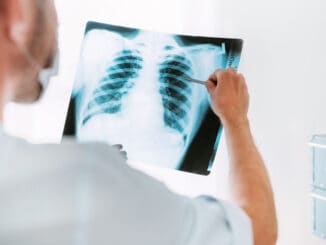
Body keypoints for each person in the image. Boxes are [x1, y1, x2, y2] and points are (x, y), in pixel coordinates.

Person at [0, 1, 277, 244]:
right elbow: (256, 232)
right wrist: (236, 118)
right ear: (16, 11)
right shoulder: (85, 185)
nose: (57, 20)